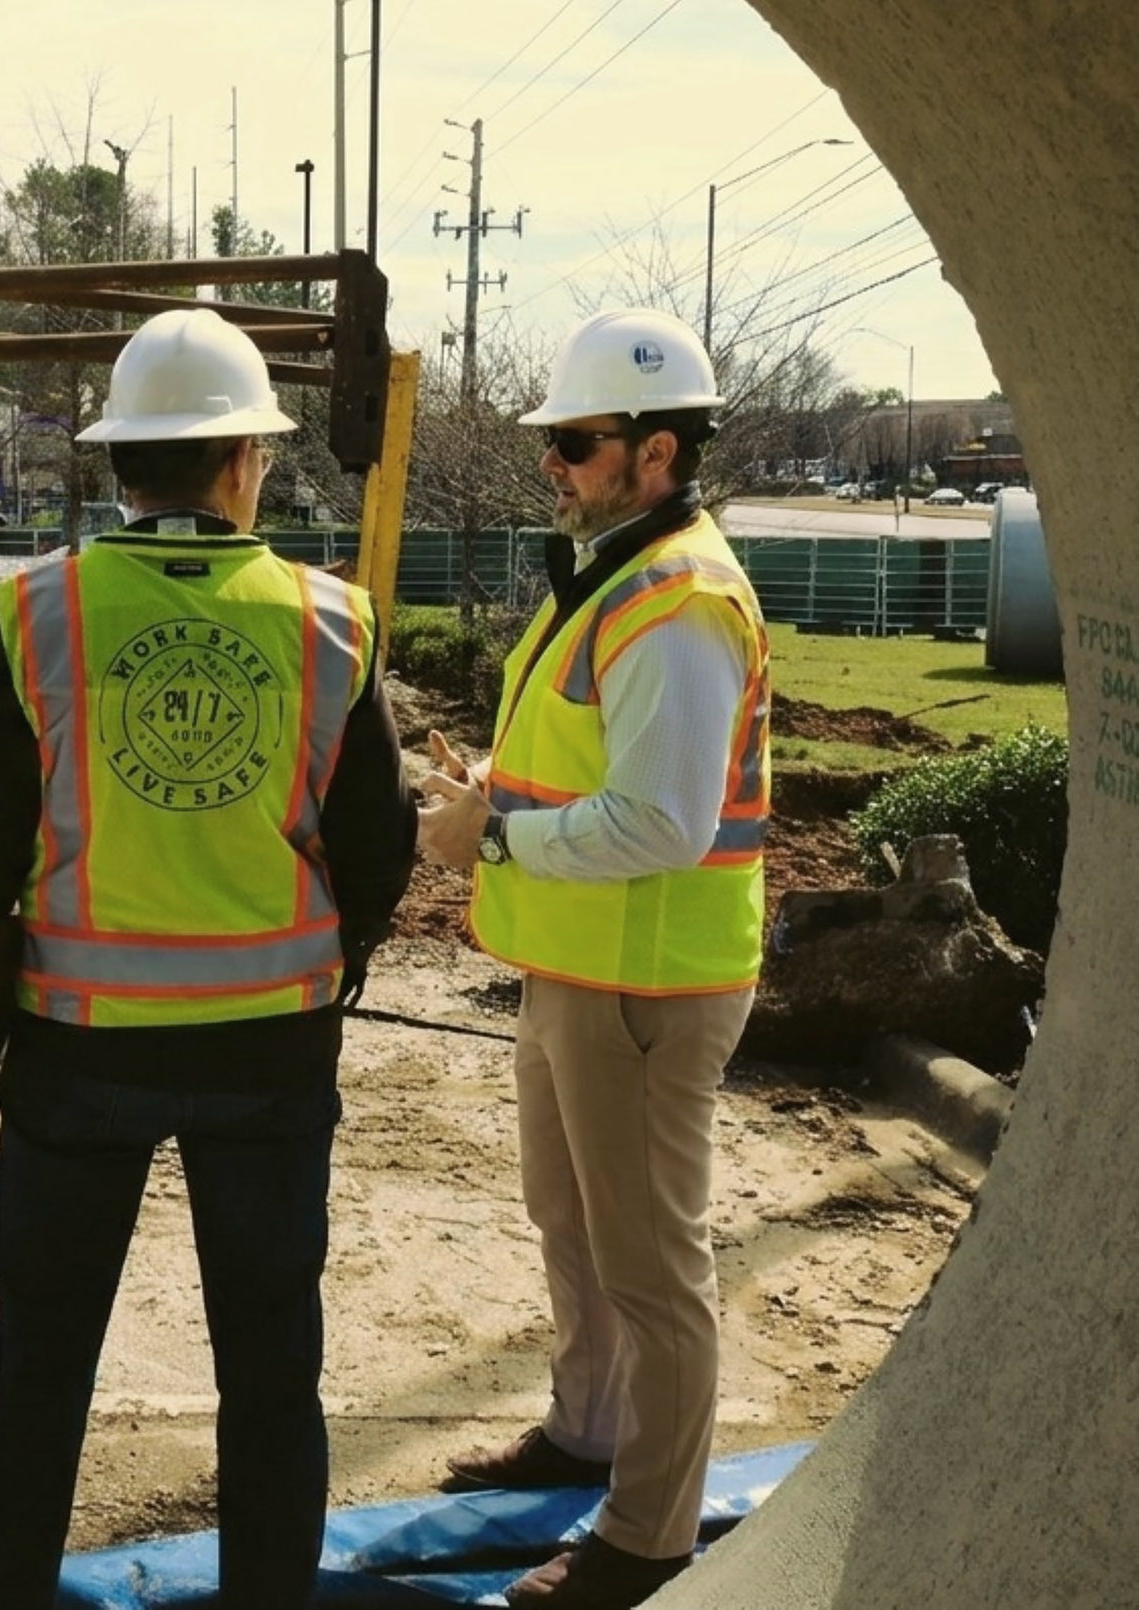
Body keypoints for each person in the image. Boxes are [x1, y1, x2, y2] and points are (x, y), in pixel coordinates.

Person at [0, 307, 417, 1609]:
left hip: (76, 1054)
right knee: (270, 1372)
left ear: (120, 460)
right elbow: (380, 848)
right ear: (246, 459)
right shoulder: (332, 622)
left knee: (39, 1365)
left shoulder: (40, 611)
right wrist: (335, 959)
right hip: (273, 1056)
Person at [415, 307, 772, 1609]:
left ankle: (646, 1538)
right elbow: (596, 767)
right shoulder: (620, 575)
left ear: (654, 450)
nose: (551, 463)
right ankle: (586, 1430)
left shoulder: (676, 601)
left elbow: (667, 823)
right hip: (583, 965)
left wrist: (497, 834)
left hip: (648, 981)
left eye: (573, 442)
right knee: (571, 1220)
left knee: (652, 1266)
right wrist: (497, 791)